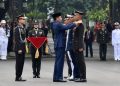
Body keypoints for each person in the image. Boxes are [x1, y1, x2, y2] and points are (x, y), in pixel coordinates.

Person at [52, 12, 78, 82]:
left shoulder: (55, 24)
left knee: (58, 61)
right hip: (60, 44)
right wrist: (75, 23)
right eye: (60, 17)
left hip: (58, 44)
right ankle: (59, 77)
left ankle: (56, 77)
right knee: (60, 62)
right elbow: (66, 27)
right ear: (57, 18)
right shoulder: (57, 24)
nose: (61, 18)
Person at [73, 11, 87, 82]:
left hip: (79, 46)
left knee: (81, 62)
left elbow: (81, 37)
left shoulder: (80, 25)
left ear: (79, 16)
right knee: (78, 61)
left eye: (76, 15)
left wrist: (81, 46)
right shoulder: (77, 24)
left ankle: (83, 77)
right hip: (76, 46)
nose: (75, 16)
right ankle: (81, 76)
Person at [14, 15, 26, 81]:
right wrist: (19, 49)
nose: (24, 20)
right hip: (19, 49)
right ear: (19, 20)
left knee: (21, 63)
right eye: (23, 19)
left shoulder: (23, 28)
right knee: (18, 63)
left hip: (23, 47)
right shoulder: (17, 28)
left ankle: (20, 76)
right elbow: (17, 40)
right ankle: (17, 76)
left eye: (24, 19)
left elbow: (23, 38)